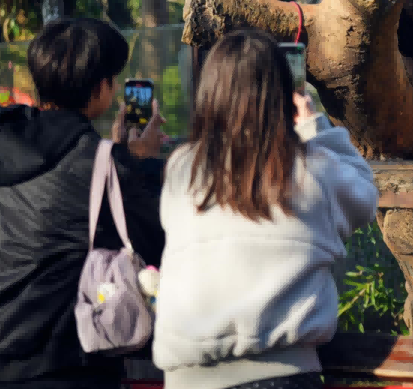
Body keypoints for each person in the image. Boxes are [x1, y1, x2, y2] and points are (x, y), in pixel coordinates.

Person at [152, 29, 378, 389]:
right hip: (282, 372)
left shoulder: (183, 168)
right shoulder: (312, 165)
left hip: (188, 376)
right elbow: (364, 197)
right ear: (282, 93)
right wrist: (313, 126)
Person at [0, 18, 168, 389]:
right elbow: (154, 248)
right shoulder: (101, 165)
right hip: (66, 365)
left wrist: (117, 157)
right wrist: (136, 164)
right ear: (101, 88)